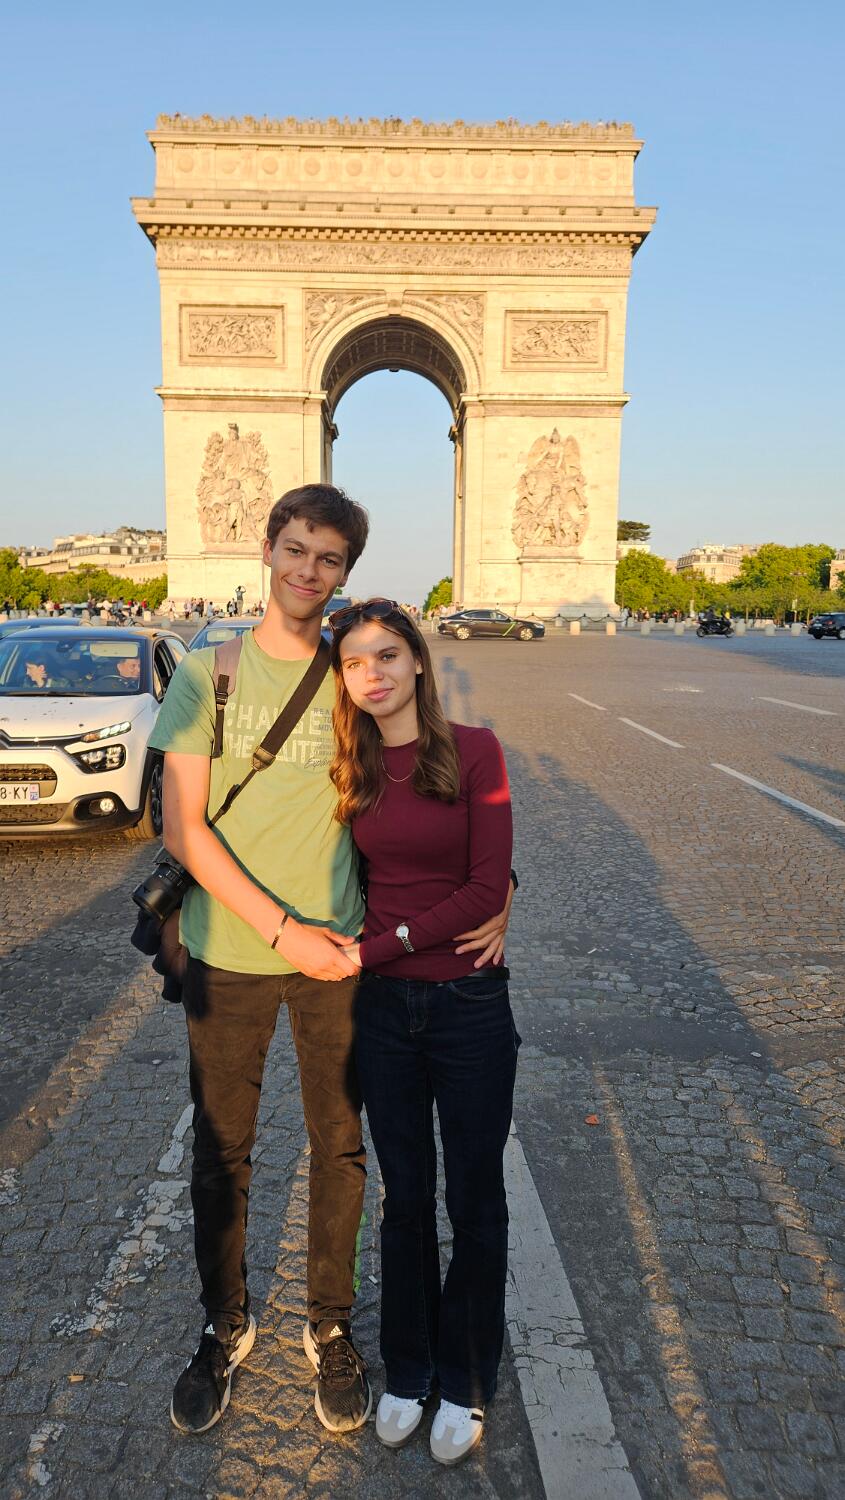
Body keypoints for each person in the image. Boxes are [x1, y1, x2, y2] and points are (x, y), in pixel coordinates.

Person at [148, 486, 511, 1441]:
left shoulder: (354, 673)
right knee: (221, 1152)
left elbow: (433, 789)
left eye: (329, 559)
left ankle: (332, 1326)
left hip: (342, 956)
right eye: (296, 550)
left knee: (340, 1150)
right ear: (267, 549)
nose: (309, 571)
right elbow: (183, 828)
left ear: (345, 571)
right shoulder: (210, 674)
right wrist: (283, 931)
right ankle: (222, 1326)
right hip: (234, 950)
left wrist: (499, 885)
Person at [328, 599, 518, 1467]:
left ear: (415, 662)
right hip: (382, 1013)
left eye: (386, 655)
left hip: (466, 1005)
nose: (371, 673)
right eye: (352, 662)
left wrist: (376, 947)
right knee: (404, 1199)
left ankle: (466, 1375)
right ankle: (407, 1369)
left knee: (473, 1199)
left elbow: (484, 885)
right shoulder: (350, 765)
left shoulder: (475, 750)